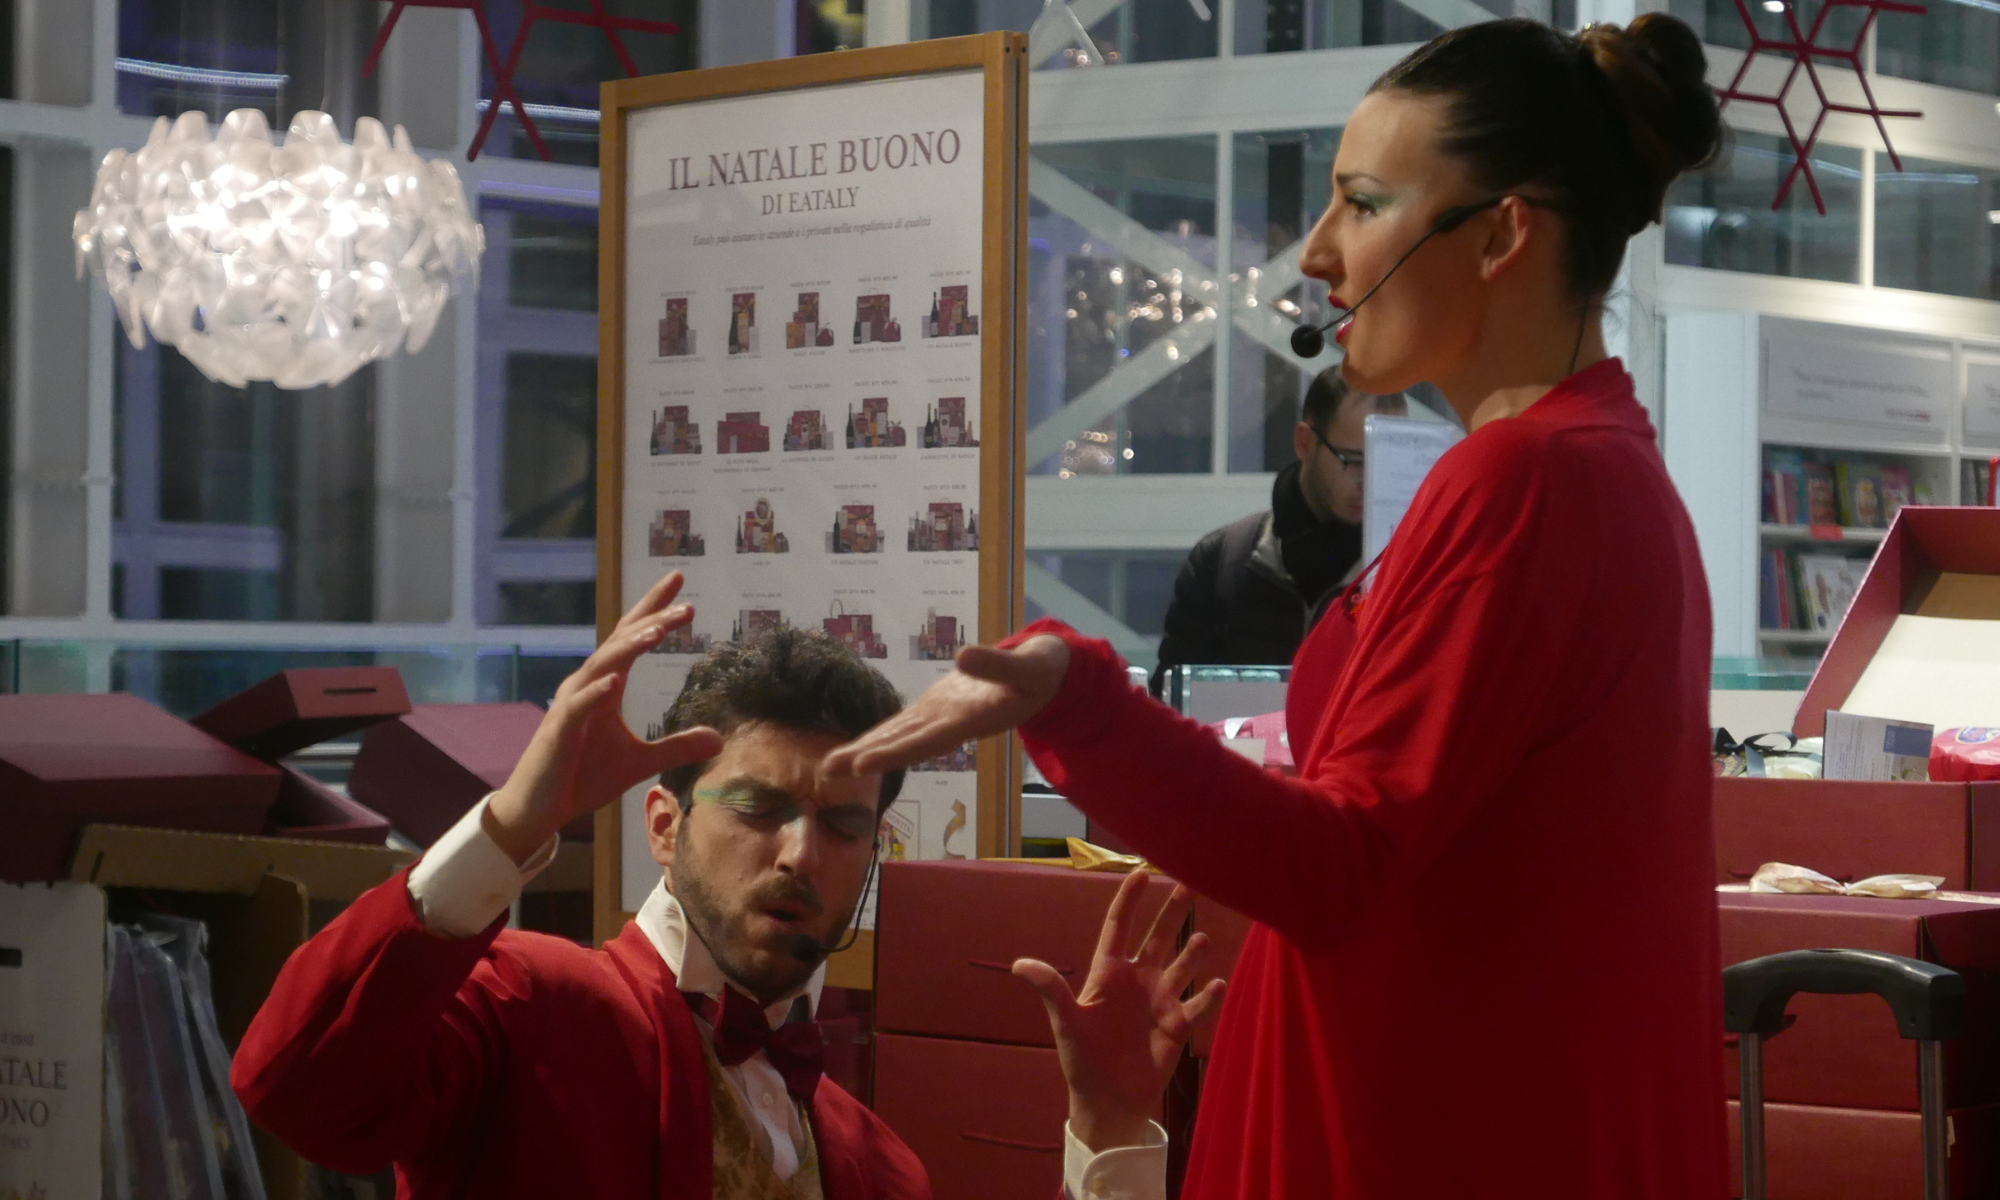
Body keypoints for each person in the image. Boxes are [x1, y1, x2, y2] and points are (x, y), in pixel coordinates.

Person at [828, 16, 1728, 1200]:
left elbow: (1337, 861)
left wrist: (1080, 702)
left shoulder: (1529, 477)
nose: (1315, 252)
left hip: (1422, 1140)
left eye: (1361, 204)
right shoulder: (1592, 466)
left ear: (1501, 232)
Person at [230, 574, 1221, 1200]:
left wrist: (1107, 1135)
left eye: (842, 826)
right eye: (756, 808)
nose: (799, 853)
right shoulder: (530, 1005)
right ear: (664, 826)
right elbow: (296, 1090)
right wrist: (514, 824)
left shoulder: (876, 1165)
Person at [1154, 370, 1405, 678]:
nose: (1369, 481)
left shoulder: (1403, 577)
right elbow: (1173, 699)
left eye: (1387, 464)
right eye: (1354, 460)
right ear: (1305, 443)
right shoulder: (1220, 563)